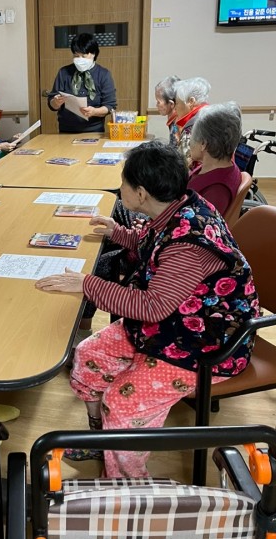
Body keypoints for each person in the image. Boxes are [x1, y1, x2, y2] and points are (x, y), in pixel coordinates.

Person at [35, 141, 259, 478]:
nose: (120, 188)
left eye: (123, 183)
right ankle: (100, 441)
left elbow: (153, 306)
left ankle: (128, 484)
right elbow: (153, 245)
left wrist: (86, 284)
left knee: (122, 405)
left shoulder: (188, 245)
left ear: (140, 193)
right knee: (88, 356)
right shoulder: (178, 205)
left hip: (208, 343)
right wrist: (119, 233)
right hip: (177, 321)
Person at [48, 33, 117, 133]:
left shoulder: (103, 74)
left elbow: (110, 106)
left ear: (93, 54)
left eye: (84, 56)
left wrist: (94, 111)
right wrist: (56, 102)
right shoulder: (64, 72)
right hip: (66, 131)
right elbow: (52, 103)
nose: (80, 59)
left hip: (94, 131)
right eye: (76, 56)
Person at [188, 102, 242, 216]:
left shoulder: (217, 190)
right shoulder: (214, 168)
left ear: (203, 144)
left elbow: (201, 223)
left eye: (192, 136)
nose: (190, 142)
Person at [174, 77, 211, 168]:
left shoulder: (191, 128)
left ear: (191, 101)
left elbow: (183, 167)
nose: (175, 108)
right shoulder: (214, 115)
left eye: (177, 103)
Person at [154, 75, 181, 146]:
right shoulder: (173, 118)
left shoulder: (178, 122)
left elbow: (176, 147)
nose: (156, 105)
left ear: (171, 104)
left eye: (158, 102)